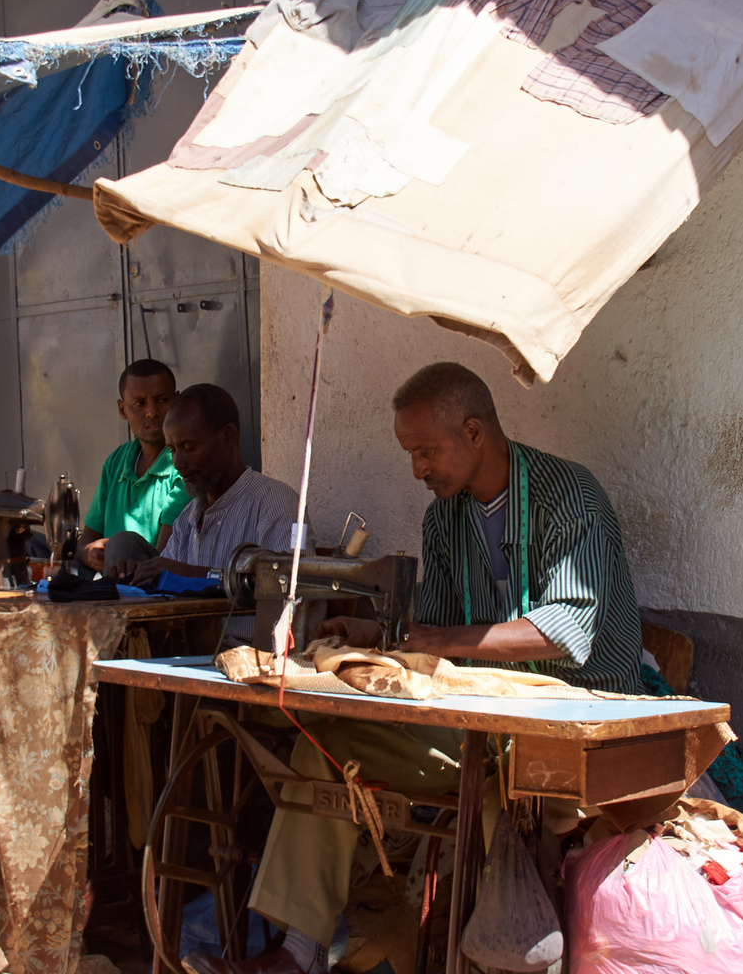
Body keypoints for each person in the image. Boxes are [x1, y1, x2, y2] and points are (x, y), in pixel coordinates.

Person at [184, 362, 642, 974]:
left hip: (576, 722)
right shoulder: (446, 516)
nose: (418, 469)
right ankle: (299, 953)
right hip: (486, 715)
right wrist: (377, 633)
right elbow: (437, 627)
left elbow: (566, 632)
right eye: (411, 454)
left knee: (498, 795)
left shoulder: (570, 497)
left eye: (427, 451)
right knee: (323, 747)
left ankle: (499, 957)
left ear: (475, 432)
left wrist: (428, 636)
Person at [111, 383, 309, 587]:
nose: (178, 463)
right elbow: (169, 576)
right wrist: (139, 576)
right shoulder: (187, 519)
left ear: (228, 436)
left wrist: (194, 574)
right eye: (173, 450)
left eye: (189, 447)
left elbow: (290, 584)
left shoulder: (275, 504)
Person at [80, 359, 192, 577]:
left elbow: (164, 559)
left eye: (162, 400)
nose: (151, 412)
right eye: (140, 403)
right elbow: (86, 540)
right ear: (122, 410)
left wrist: (118, 550)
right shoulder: (117, 461)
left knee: (122, 543)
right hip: (111, 582)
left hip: (154, 584)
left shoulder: (183, 465)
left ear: (176, 402)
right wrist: (90, 553)